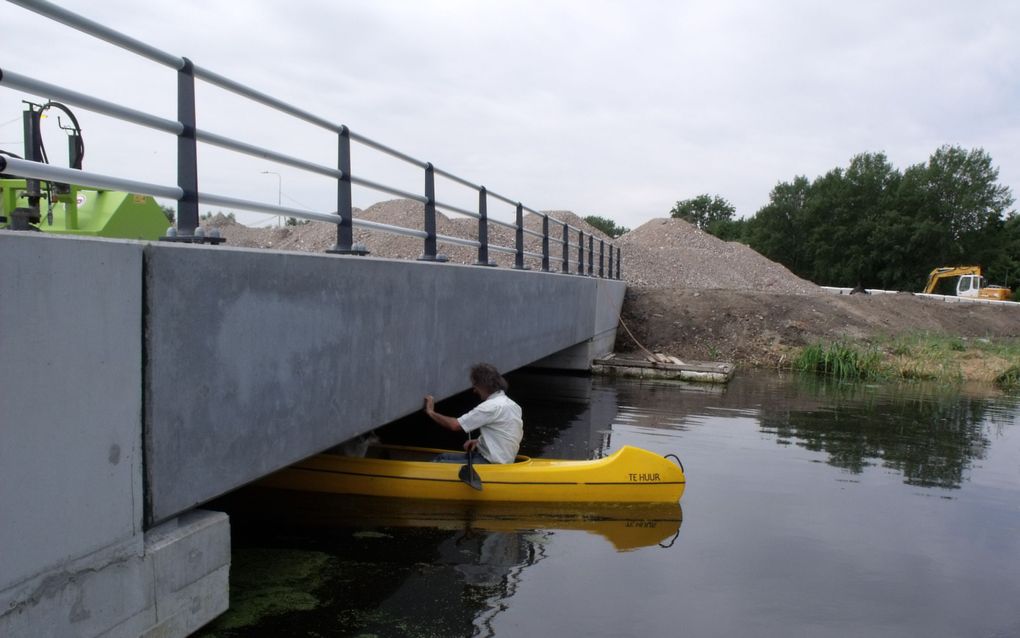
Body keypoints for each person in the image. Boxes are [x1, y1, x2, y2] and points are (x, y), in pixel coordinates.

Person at [423, 363, 523, 464]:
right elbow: (507, 433)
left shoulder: (490, 406)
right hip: (504, 458)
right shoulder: (513, 405)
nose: (474, 390)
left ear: (482, 385)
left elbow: (455, 425)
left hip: (491, 462)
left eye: (475, 385)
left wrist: (431, 412)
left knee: (440, 461)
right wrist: (478, 442)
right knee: (443, 456)